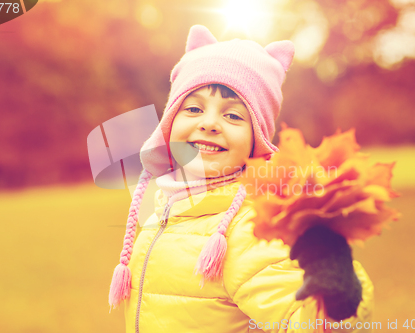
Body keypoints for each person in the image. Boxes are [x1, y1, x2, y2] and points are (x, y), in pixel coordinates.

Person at [108, 25, 374, 332]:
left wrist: (338, 298)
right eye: (193, 108)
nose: (209, 123)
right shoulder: (168, 207)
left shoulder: (250, 230)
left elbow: (307, 323)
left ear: (256, 141)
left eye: (233, 115)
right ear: (169, 123)